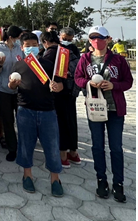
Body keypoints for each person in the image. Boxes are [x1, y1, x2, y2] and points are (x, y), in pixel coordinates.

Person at [75, 25, 133, 203]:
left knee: (116, 147)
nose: (96, 41)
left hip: (115, 109)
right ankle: (101, 180)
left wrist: (114, 85)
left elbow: (128, 81)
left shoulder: (118, 60)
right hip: (95, 108)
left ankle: (118, 183)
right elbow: (78, 78)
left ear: (108, 39)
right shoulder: (85, 58)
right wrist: (89, 83)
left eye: (100, 37)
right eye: (92, 38)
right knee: (97, 146)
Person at [8, 32, 65, 197]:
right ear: (22, 47)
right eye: (27, 45)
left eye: (34, 44)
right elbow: (11, 86)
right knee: (26, 144)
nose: (31, 47)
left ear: (39, 46)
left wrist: (58, 87)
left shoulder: (48, 64)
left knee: (52, 146)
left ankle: (55, 179)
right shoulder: (18, 65)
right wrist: (12, 84)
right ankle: (27, 175)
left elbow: (62, 85)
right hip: (25, 110)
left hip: (47, 111)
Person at [41, 30, 81, 169]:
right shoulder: (69, 50)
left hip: (58, 94)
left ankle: (62, 155)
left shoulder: (50, 53)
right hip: (71, 92)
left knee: (60, 123)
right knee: (71, 121)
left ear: (45, 42)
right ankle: (74, 153)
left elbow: (44, 73)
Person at [0, 24, 23, 161]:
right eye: (18, 37)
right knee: (8, 120)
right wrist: (0, 64)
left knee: (22, 119)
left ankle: (24, 147)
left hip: (19, 89)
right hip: (3, 89)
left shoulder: (19, 48)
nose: (19, 40)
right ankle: (12, 149)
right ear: (11, 37)